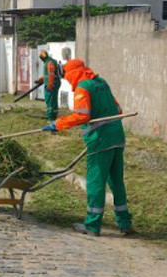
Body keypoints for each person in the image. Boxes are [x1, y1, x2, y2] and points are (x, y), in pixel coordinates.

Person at [41, 59, 133, 237]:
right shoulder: (102, 83)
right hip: (117, 136)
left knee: (95, 183)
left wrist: (58, 124)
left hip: (100, 141)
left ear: (72, 73)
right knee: (116, 182)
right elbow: (118, 109)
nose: (67, 80)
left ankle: (92, 225)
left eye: (67, 76)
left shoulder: (83, 88)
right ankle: (125, 223)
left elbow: (81, 116)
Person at [35, 50, 62, 120]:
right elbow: (47, 74)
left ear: (44, 55)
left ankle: (51, 116)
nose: (40, 57)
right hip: (52, 83)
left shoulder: (49, 62)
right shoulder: (49, 61)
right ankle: (52, 115)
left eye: (41, 55)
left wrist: (50, 84)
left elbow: (51, 74)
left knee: (50, 100)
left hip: (52, 84)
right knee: (51, 100)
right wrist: (40, 80)